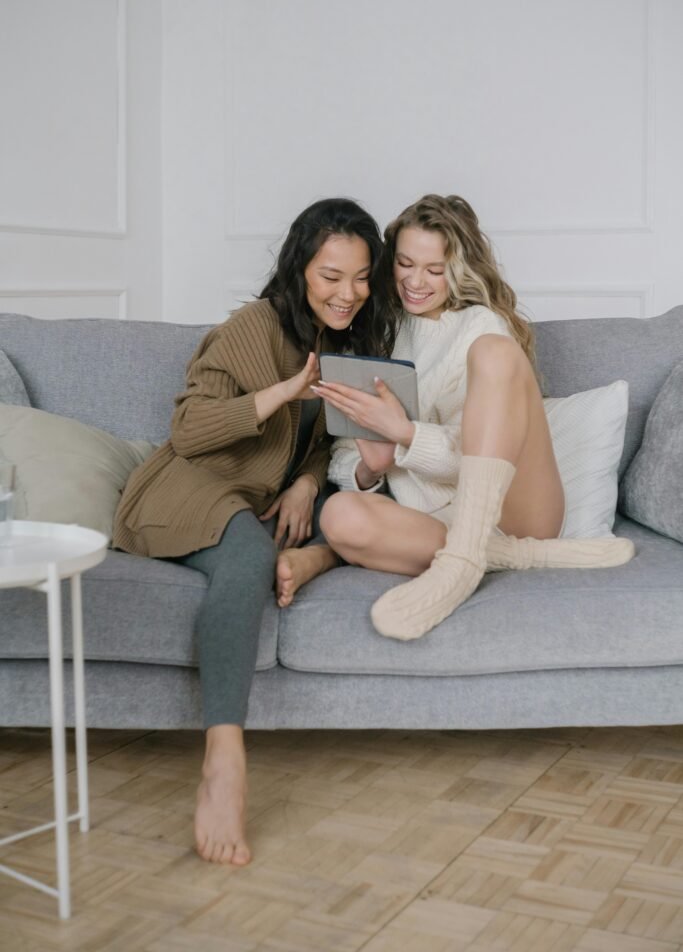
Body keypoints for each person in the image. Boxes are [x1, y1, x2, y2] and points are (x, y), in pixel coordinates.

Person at [112, 197, 397, 865]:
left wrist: (304, 481)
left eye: (360, 277)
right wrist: (282, 392)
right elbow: (189, 431)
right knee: (246, 558)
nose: (347, 293)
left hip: (260, 500)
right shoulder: (253, 325)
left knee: (338, 525)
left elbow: (329, 444)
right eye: (331, 276)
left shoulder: (349, 341)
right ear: (299, 269)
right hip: (187, 488)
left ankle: (306, 559)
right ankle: (223, 761)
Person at [276, 194, 634, 636]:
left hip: (515, 510)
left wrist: (406, 435)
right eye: (405, 264)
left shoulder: (479, 327)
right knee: (338, 514)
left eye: (434, 269)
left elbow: (484, 455)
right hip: (436, 521)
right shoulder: (376, 333)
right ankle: (519, 557)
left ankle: (465, 560)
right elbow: (344, 455)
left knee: (497, 354)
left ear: (458, 270)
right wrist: (373, 468)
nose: (415, 282)